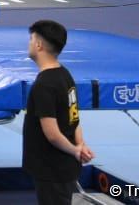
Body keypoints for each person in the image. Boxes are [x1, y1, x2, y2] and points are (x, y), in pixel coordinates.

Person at [23, 20, 93, 205]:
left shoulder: (44, 85)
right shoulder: (65, 75)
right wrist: (80, 145)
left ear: (38, 45)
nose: (29, 44)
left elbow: (52, 134)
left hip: (52, 167)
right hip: (64, 165)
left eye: (31, 39)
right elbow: (74, 117)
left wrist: (76, 151)